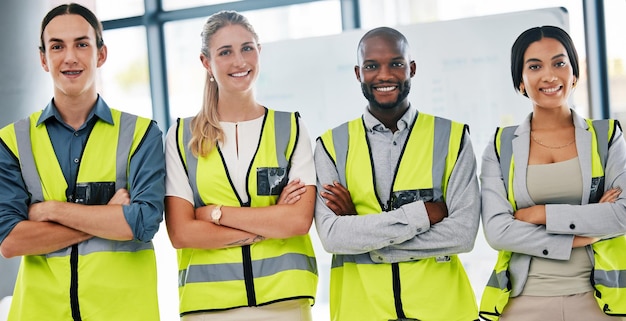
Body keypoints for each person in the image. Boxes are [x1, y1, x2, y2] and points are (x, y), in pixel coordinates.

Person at [0, 3, 165, 321]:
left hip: (122, 313)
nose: (70, 57)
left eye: (82, 44)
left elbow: (143, 224)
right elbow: (9, 241)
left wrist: (50, 211)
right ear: (43, 59)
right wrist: (108, 217)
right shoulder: (11, 141)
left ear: (101, 54)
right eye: (57, 46)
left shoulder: (141, 134)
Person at [314, 26, 480, 321]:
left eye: (396, 63)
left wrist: (361, 229)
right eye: (371, 66)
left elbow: (463, 234)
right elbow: (333, 237)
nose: (384, 75)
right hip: (362, 312)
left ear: (411, 68)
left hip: (442, 312)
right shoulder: (330, 145)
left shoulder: (452, 138)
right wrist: (422, 216)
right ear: (358, 73)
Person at [163, 10, 317, 321]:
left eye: (247, 48)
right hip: (209, 306)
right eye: (225, 52)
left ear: (260, 52)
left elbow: (298, 221)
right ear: (206, 62)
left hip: (285, 302)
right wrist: (267, 225)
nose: (239, 61)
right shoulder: (181, 136)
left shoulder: (291, 128)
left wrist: (214, 215)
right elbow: (181, 232)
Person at [479, 25, 626, 321]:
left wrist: (541, 214)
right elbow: (497, 231)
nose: (549, 75)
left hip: (600, 300)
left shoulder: (607, 137)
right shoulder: (500, 145)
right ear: (520, 82)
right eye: (534, 66)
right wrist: (580, 237)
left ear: (574, 74)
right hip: (522, 301)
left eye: (559, 63)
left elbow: (621, 215)